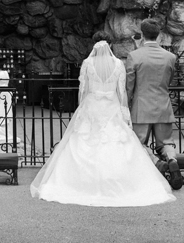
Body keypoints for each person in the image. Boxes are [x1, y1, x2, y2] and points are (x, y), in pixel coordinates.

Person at [30, 41, 175, 207]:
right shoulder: (118, 64)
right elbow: (121, 91)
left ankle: (82, 184)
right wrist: (124, 111)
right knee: (116, 142)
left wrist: (81, 108)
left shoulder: (88, 63)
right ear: (110, 48)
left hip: (92, 106)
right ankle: (121, 181)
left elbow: (83, 90)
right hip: (112, 106)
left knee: (85, 142)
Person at [126, 18, 183, 190]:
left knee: (138, 144)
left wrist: (126, 105)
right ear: (158, 35)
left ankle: (157, 162)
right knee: (166, 143)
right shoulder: (170, 57)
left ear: (142, 34)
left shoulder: (134, 56)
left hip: (141, 108)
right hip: (163, 106)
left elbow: (129, 86)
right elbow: (169, 81)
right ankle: (172, 160)